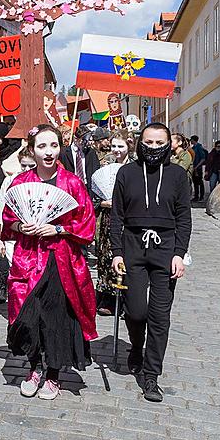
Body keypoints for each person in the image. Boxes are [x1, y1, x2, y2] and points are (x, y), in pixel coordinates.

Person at [1, 124, 97, 401]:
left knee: (55, 318)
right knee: (28, 316)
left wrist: (59, 230)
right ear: (31, 150)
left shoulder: (72, 183)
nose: (48, 152)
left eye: (53, 145)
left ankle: (53, 375)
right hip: (28, 259)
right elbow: (7, 220)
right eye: (42, 146)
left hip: (60, 260)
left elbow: (86, 223)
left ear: (60, 148)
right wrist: (21, 227)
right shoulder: (21, 183)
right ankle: (34, 368)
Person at [111, 123, 191, 403]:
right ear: (139, 143)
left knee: (160, 317)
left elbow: (184, 218)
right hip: (133, 247)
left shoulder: (178, 175)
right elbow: (117, 217)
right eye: (149, 142)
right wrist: (117, 252)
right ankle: (136, 346)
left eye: (160, 143)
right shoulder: (127, 173)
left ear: (169, 144)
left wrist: (179, 253)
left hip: (165, 250)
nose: (154, 147)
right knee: (135, 311)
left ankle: (151, 375)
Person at [94, 130, 134, 316]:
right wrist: (103, 202)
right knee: (104, 254)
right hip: (106, 217)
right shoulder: (104, 164)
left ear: (129, 146)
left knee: (123, 255)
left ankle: (125, 298)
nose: (117, 150)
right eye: (114, 146)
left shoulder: (135, 167)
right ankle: (107, 295)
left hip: (128, 218)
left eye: (121, 146)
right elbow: (93, 192)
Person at [189, 135, 207, 202]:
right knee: (195, 182)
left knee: (199, 182)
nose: (190, 141)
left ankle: (201, 196)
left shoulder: (199, 147)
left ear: (193, 140)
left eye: (191, 140)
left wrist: (197, 166)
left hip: (198, 168)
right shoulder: (193, 147)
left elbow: (203, 158)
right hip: (194, 168)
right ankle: (196, 196)